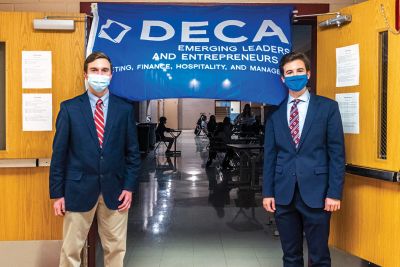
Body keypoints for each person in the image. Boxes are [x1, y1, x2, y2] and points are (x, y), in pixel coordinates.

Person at [49, 51, 141, 267]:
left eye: (104, 70)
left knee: (116, 249)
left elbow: (132, 153)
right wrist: (57, 193)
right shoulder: (69, 108)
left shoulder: (124, 109)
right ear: (85, 75)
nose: (99, 74)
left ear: (111, 75)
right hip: (77, 189)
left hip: (116, 191)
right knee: (71, 250)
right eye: (94, 70)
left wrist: (129, 187)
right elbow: (59, 154)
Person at [262, 52, 345, 267]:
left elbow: (337, 154)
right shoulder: (274, 113)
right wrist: (267, 192)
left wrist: (334, 193)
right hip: (283, 194)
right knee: (290, 256)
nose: (295, 75)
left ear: (308, 74)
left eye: (299, 71)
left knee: (319, 257)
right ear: (283, 79)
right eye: (289, 72)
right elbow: (270, 155)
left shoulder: (328, 107)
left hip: (318, 194)